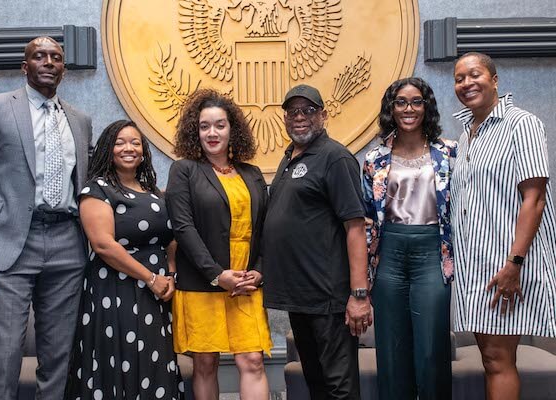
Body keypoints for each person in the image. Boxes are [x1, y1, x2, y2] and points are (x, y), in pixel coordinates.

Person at [0, 37, 92, 400]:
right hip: (8, 244)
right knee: (3, 356)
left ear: (64, 68)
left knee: (60, 357)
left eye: (56, 57)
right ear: (25, 65)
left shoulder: (79, 120)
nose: (49, 62)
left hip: (68, 245)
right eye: (40, 56)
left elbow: (89, 184)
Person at [451, 52, 556, 400]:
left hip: (505, 265)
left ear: (494, 79)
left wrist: (515, 263)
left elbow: (535, 198)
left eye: (474, 74)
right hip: (478, 267)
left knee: (498, 360)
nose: (466, 83)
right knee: (491, 358)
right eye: (459, 78)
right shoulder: (468, 134)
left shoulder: (520, 123)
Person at [262, 84, 370, 400]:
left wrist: (359, 295)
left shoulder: (335, 158)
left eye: (308, 110)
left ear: (323, 115)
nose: (299, 117)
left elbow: (355, 227)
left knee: (340, 386)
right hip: (301, 296)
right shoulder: (289, 157)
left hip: (329, 297)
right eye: (292, 111)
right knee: (317, 383)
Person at [64, 120, 184, 399]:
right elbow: (103, 244)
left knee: (153, 362)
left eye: (135, 142)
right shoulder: (97, 190)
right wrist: (150, 278)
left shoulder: (153, 191)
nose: (128, 148)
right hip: (115, 292)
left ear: (143, 151)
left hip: (156, 294)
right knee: (120, 358)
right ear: (108, 149)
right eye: (120, 142)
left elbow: (172, 238)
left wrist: (170, 275)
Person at [165, 88, 272, 400]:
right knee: (205, 362)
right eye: (204, 126)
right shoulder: (184, 170)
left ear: (232, 129)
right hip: (202, 280)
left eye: (220, 125)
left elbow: (266, 229)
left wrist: (260, 272)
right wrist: (216, 274)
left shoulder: (252, 174)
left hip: (246, 282)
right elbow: (183, 228)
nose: (212, 133)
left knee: (252, 360)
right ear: (194, 131)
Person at [362, 77, 456, 399]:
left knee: (432, 348)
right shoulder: (374, 159)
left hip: (432, 252)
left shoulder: (449, 153)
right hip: (388, 254)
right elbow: (365, 222)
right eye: (401, 102)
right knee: (391, 348)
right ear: (391, 108)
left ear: (426, 106)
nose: (409, 109)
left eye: (417, 101)